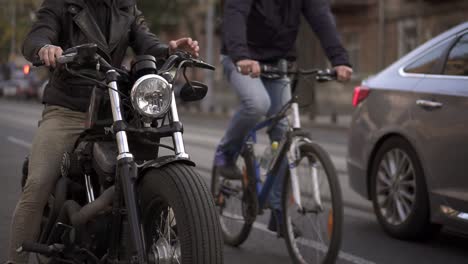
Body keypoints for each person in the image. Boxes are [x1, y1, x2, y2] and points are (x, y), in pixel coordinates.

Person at [5, 0, 200, 263]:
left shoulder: (126, 7)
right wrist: (44, 47)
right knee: (37, 184)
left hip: (114, 106)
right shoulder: (62, 3)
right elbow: (37, 34)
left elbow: (146, 40)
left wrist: (168, 48)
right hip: (68, 108)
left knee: (156, 173)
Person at [215, 0, 353, 236]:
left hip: (278, 63)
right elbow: (235, 13)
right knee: (258, 104)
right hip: (242, 58)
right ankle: (226, 152)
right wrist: (241, 55)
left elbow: (321, 18)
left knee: (283, 134)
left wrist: (339, 58)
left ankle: (279, 213)